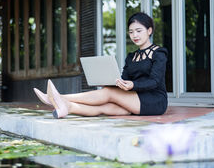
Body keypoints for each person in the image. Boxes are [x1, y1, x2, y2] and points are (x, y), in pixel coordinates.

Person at [33, 12, 168, 119]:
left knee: (108, 94)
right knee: (103, 106)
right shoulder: (131, 57)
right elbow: (123, 79)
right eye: (131, 32)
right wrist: (114, 83)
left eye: (139, 31)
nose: (134, 35)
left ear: (149, 31)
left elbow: (155, 81)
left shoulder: (159, 53)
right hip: (133, 99)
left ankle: (59, 97)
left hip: (154, 100)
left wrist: (132, 85)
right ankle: (67, 107)